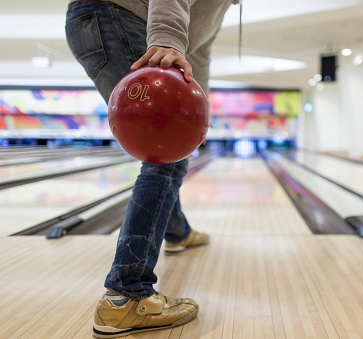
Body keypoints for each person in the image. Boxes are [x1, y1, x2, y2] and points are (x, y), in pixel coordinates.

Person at [65, 0, 239, 337]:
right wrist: (168, 38)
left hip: (101, 21)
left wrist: (195, 113)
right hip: (122, 17)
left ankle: (178, 233)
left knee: (170, 148)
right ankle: (127, 295)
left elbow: (198, 49)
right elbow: (181, 35)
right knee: (163, 154)